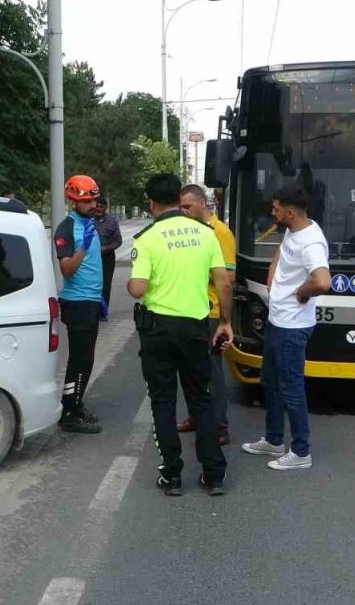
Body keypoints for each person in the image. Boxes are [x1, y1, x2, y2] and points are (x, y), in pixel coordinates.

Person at [128, 173, 233, 497]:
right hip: (196, 329)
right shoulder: (206, 233)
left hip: (158, 331)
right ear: (178, 198)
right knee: (201, 399)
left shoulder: (147, 238)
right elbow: (224, 282)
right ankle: (214, 475)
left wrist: (131, 283)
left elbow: (138, 289)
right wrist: (225, 321)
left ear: (151, 203)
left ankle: (172, 476)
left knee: (163, 402)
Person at [241, 184, 331, 471]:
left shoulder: (311, 243)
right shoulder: (295, 229)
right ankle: (274, 440)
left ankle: (301, 452)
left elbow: (322, 282)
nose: (272, 212)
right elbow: (281, 252)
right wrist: (272, 277)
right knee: (269, 382)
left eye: (276, 208)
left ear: (290, 212)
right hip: (277, 319)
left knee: (291, 389)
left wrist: (301, 292)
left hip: (293, 326)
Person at [175, 183, 237, 444]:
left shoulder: (220, 232)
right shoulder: (191, 231)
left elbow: (229, 277)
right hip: (191, 309)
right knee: (191, 370)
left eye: (187, 206)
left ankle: (220, 426)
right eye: (181, 207)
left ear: (202, 203)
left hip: (211, 312)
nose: (183, 211)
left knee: (212, 372)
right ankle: (197, 416)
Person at [53, 174, 105, 433]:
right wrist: (82, 247)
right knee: (80, 361)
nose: (93, 205)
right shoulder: (66, 229)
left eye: (94, 200)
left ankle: (75, 404)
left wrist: (99, 296)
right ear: (74, 200)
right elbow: (67, 269)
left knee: (87, 359)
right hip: (77, 303)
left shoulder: (90, 224)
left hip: (91, 301)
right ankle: (70, 413)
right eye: (87, 201)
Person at [92, 195, 122, 321]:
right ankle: (92, 311)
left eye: (101, 207)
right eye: (97, 206)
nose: (98, 209)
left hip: (107, 258)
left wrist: (106, 248)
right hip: (90, 258)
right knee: (92, 284)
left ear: (106, 208)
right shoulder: (88, 219)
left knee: (105, 285)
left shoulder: (112, 221)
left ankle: (102, 313)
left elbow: (118, 241)